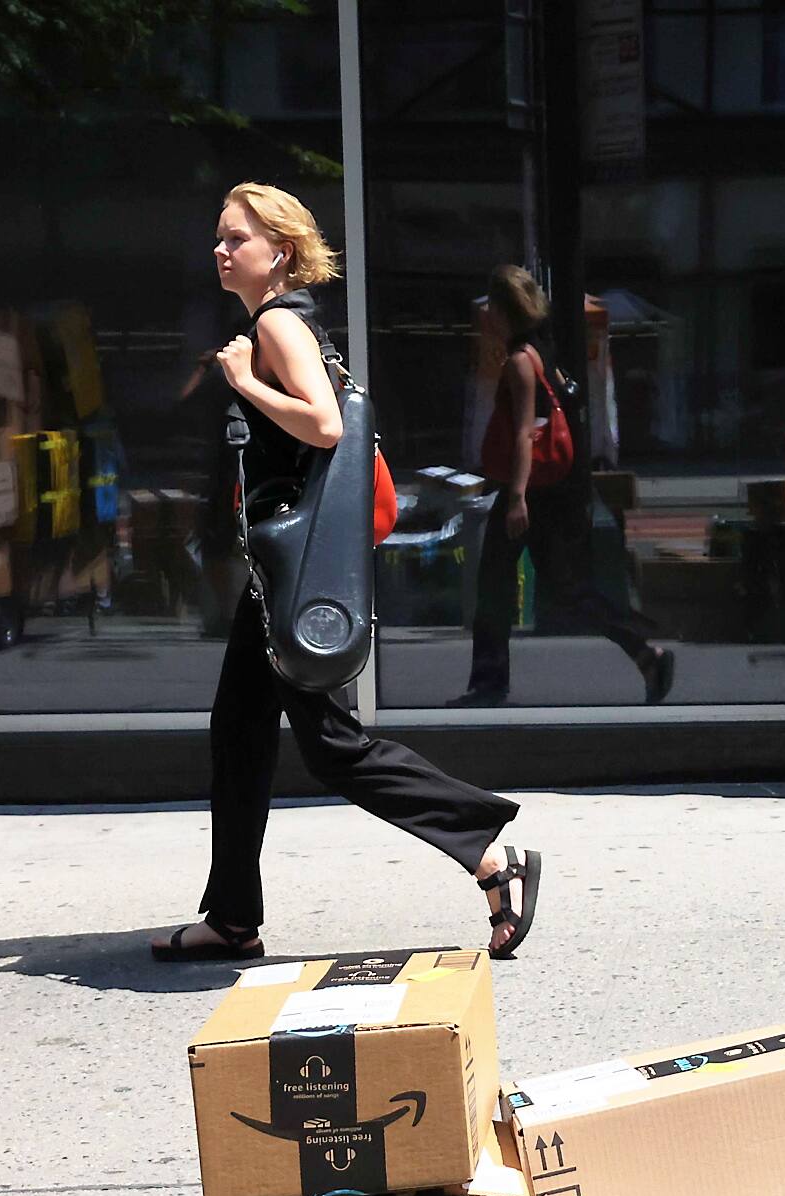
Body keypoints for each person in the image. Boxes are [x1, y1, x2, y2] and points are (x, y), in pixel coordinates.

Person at [151, 183, 542, 963]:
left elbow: (325, 425)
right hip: (283, 563)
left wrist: (245, 383)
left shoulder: (275, 324)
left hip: (291, 566)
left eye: (237, 238)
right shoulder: (279, 322)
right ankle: (232, 917)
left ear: (279, 253)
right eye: (220, 237)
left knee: (330, 743)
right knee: (239, 729)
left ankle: (489, 853)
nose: (220, 250)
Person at [448, 265, 673, 708]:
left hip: (528, 491)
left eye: (493, 307)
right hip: (548, 490)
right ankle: (645, 652)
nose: (488, 315)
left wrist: (516, 498)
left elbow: (525, 433)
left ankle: (489, 683)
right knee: (564, 589)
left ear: (504, 310)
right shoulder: (540, 352)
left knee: (496, 583)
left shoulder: (520, 361)